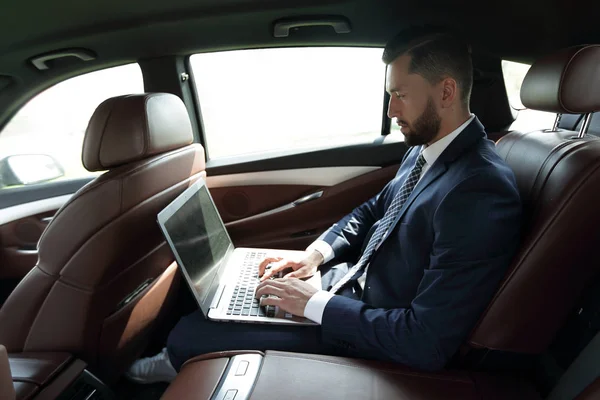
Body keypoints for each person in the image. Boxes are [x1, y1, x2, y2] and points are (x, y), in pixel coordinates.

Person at [125, 27, 522, 383]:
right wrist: (315, 256)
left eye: (400, 95)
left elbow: (425, 341)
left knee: (191, 333)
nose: (391, 111)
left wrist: (314, 303)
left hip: (370, 329)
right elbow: (374, 211)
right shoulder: (427, 152)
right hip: (347, 288)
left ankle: (165, 365)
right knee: (219, 304)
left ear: (447, 92)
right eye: (390, 96)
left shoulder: (479, 191)